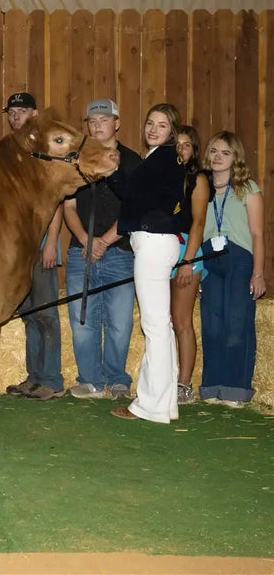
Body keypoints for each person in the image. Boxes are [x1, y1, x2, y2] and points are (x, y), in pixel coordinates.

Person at [111, 103, 186, 423]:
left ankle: (149, 406)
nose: (153, 129)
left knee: (154, 326)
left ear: (172, 131)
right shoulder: (159, 158)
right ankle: (165, 403)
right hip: (158, 243)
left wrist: (112, 171)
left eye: (162, 125)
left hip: (153, 242)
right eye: (150, 123)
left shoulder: (164, 158)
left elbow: (134, 197)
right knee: (161, 326)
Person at [65, 99, 142, 401]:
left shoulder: (132, 161)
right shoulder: (76, 160)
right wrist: (85, 239)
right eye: (92, 120)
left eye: (104, 119)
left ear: (117, 123)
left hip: (120, 249)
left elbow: (136, 208)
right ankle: (90, 380)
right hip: (80, 250)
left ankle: (117, 379)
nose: (97, 125)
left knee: (119, 321)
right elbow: (68, 205)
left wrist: (105, 240)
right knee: (81, 319)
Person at [0, 92, 65, 400]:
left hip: (40, 246)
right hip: (17, 248)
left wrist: (51, 242)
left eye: (22, 110)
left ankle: (51, 379)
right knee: (28, 313)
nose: (16, 116)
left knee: (47, 313)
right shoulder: (11, 152)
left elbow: (56, 199)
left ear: (35, 113)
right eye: (12, 112)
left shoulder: (45, 150)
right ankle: (34, 377)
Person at [199, 131, 266, 408]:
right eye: (214, 151)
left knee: (237, 324)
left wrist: (258, 273)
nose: (218, 157)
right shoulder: (201, 189)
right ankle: (213, 387)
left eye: (225, 153)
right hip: (209, 260)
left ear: (235, 157)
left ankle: (236, 389)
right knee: (212, 325)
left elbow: (258, 234)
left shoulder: (247, 188)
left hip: (239, 259)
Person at [171, 125, 210, 404]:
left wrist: (188, 261)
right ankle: (165, 379)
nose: (181, 149)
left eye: (186, 145)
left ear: (194, 150)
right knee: (165, 321)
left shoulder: (198, 179)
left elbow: (198, 223)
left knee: (182, 321)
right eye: (177, 144)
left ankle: (184, 385)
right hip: (163, 250)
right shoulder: (164, 177)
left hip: (187, 250)